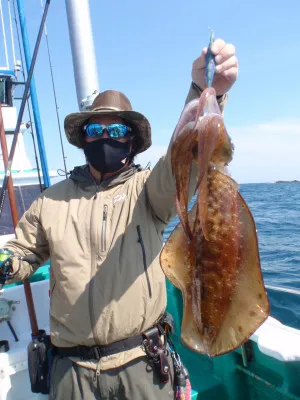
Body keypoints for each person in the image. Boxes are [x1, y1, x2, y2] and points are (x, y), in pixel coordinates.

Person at [0, 38, 238, 399]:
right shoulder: (51, 201)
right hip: (71, 371)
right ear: (83, 139)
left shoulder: (150, 191)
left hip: (142, 364)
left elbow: (186, 155)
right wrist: (7, 263)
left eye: (117, 130)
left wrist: (205, 92)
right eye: (96, 131)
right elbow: (22, 254)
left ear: (131, 141)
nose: (106, 137)